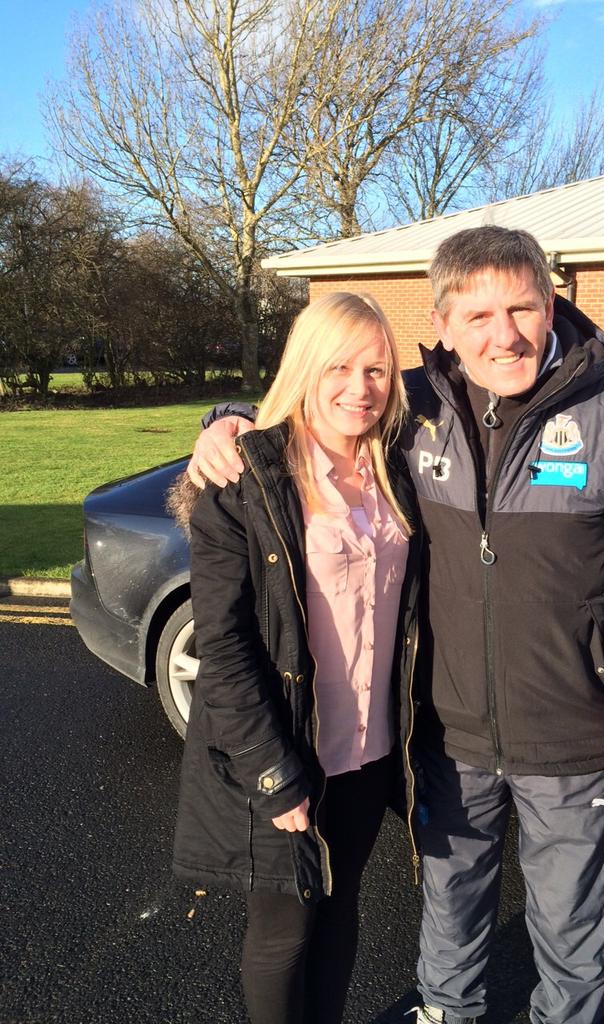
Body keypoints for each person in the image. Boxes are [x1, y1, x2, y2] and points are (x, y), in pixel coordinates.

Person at [187, 227, 604, 1024]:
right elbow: (319, 407)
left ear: (551, 304)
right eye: (477, 316)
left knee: (572, 928)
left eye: (522, 308)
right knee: (450, 916)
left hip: (577, 736)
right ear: (443, 323)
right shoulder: (418, 405)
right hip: (446, 737)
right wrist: (225, 422)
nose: (502, 334)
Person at [171, 291, 422, 1024]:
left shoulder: (395, 465)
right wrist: (275, 774)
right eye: (339, 366)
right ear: (305, 368)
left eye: (377, 369)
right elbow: (223, 642)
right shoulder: (248, 481)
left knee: (341, 910)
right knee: (283, 931)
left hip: (371, 753)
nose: (359, 387)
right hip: (287, 753)